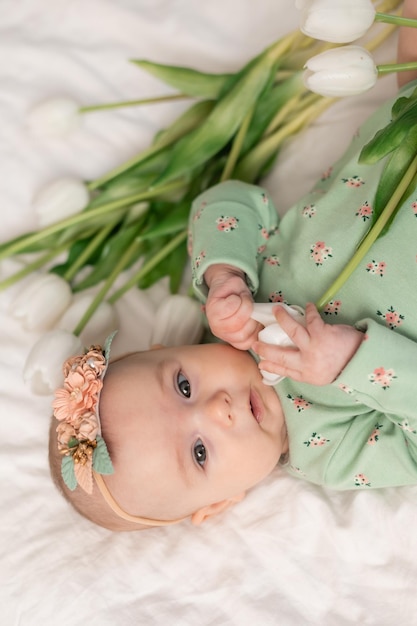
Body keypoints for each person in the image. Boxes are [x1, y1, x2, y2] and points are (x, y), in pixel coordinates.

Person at [49, 2, 417, 531]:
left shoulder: (241, 299)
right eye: (200, 453)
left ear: (169, 349)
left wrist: (225, 275)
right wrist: (351, 362)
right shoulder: (332, 451)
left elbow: (231, 201)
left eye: (182, 386)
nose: (217, 409)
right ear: (222, 503)